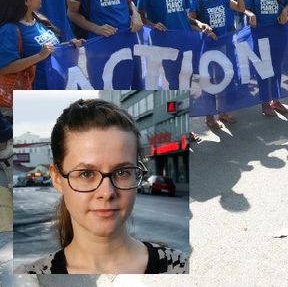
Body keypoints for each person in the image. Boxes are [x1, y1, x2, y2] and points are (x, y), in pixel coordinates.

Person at [14, 98, 188, 274]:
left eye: (122, 172)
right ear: (57, 178)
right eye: (86, 174)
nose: (106, 192)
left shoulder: (182, 269)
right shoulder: (27, 278)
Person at [188, 0, 255, 128]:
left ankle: (223, 112)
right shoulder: (198, 0)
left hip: (225, 46)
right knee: (209, 82)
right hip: (207, 49)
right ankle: (210, 116)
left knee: (225, 79)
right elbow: (190, 21)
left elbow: (240, 8)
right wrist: (203, 28)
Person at [0, 0, 83, 90]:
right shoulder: (9, 29)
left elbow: (49, 49)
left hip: (54, 86)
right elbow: (5, 67)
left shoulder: (38, 19)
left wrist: (69, 45)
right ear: (26, 0)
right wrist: (39, 56)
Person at [243, 0, 288, 117]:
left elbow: (287, 3)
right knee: (264, 68)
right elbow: (245, 7)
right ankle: (265, 102)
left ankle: (276, 100)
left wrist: (285, 12)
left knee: (277, 67)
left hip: (279, 31)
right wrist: (250, 15)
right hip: (260, 32)